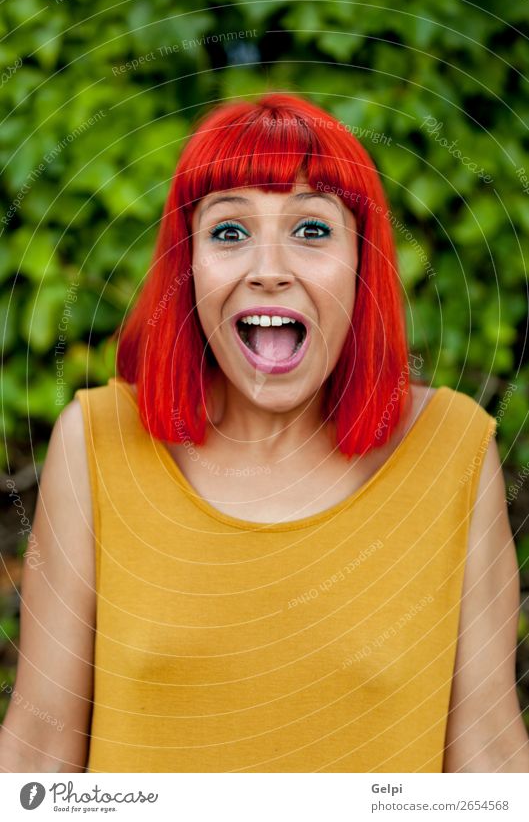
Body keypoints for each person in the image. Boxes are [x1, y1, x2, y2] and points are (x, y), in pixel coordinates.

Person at [1, 93, 527, 774]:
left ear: (362, 264)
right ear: (186, 268)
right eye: (228, 231)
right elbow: (38, 754)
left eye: (311, 229)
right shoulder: (96, 441)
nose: (268, 267)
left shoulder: (453, 447)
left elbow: (489, 761)